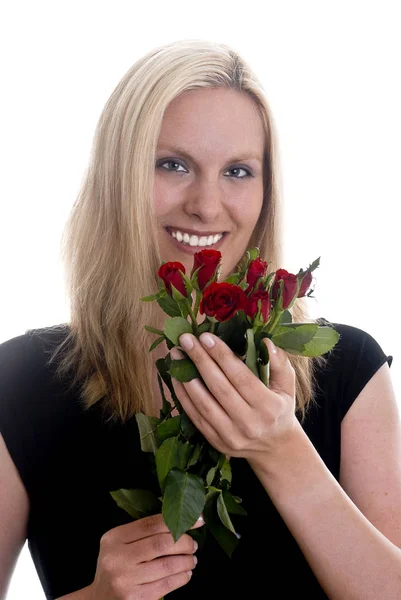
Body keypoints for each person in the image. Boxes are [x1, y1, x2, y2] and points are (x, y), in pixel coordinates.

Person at [0, 38, 399, 600]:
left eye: (238, 171)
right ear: (120, 175)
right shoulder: (20, 380)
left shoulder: (347, 369)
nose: (207, 206)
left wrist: (283, 453)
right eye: (172, 165)